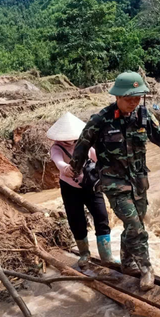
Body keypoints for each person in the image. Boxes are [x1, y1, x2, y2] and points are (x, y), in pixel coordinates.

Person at [70, 71, 160, 290]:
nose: (134, 102)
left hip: (138, 182)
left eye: (137, 98)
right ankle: (147, 268)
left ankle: (127, 262)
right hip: (114, 183)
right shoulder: (100, 120)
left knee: (133, 224)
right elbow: (82, 145)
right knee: (136, 227)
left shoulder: (144, 117)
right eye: (129, 98)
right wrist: (75, 169)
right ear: (117, 96)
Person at [48, 112, 116, 265]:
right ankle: (84, 254)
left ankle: (107, 257)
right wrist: (65, 168)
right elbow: (58, 161)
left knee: (101, 217)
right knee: (76, 221)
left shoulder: (86, 143)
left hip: (91, 185)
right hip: (70, 188)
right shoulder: (56, 148)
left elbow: (99, 158)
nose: (69, 140)